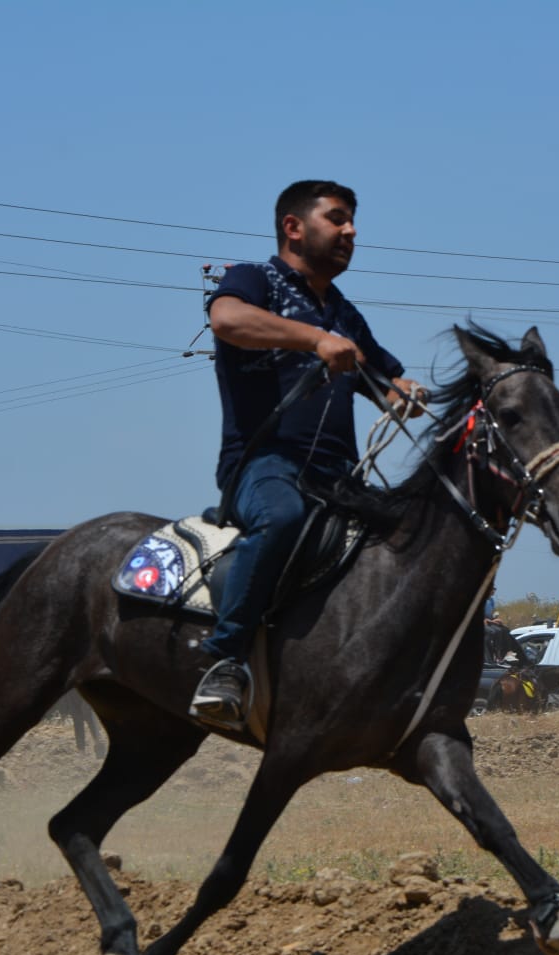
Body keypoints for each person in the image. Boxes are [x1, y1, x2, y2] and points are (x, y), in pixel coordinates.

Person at [192, 180, 425, 727]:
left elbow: (385, 384)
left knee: (411, 535)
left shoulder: (344, 313)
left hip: (339, 476)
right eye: (337, 218)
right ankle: (225, 662)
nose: (351, 231)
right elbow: (226, 320)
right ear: (293, 227)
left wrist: (407, 394)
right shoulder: (254, 280)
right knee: (282, 517)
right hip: (263, 466)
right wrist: (313, 338)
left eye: (352, 221)